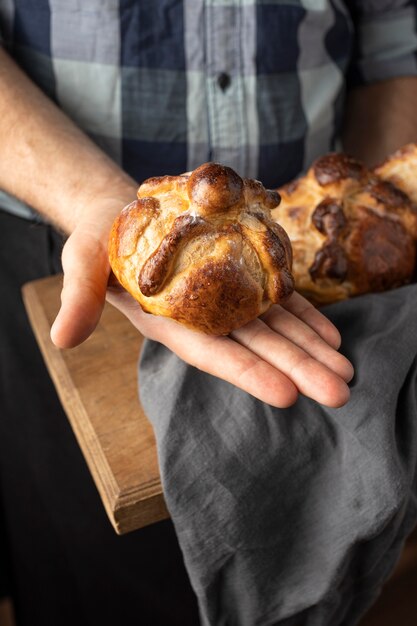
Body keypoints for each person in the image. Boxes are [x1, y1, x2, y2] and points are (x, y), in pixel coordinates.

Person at [0, 1, 416, 625]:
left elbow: (389, 38)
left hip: (313, 250)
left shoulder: (268, 238)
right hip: (68, 230)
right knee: (91, 570)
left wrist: (354, 216)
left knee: (292, 521)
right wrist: (93, 199)